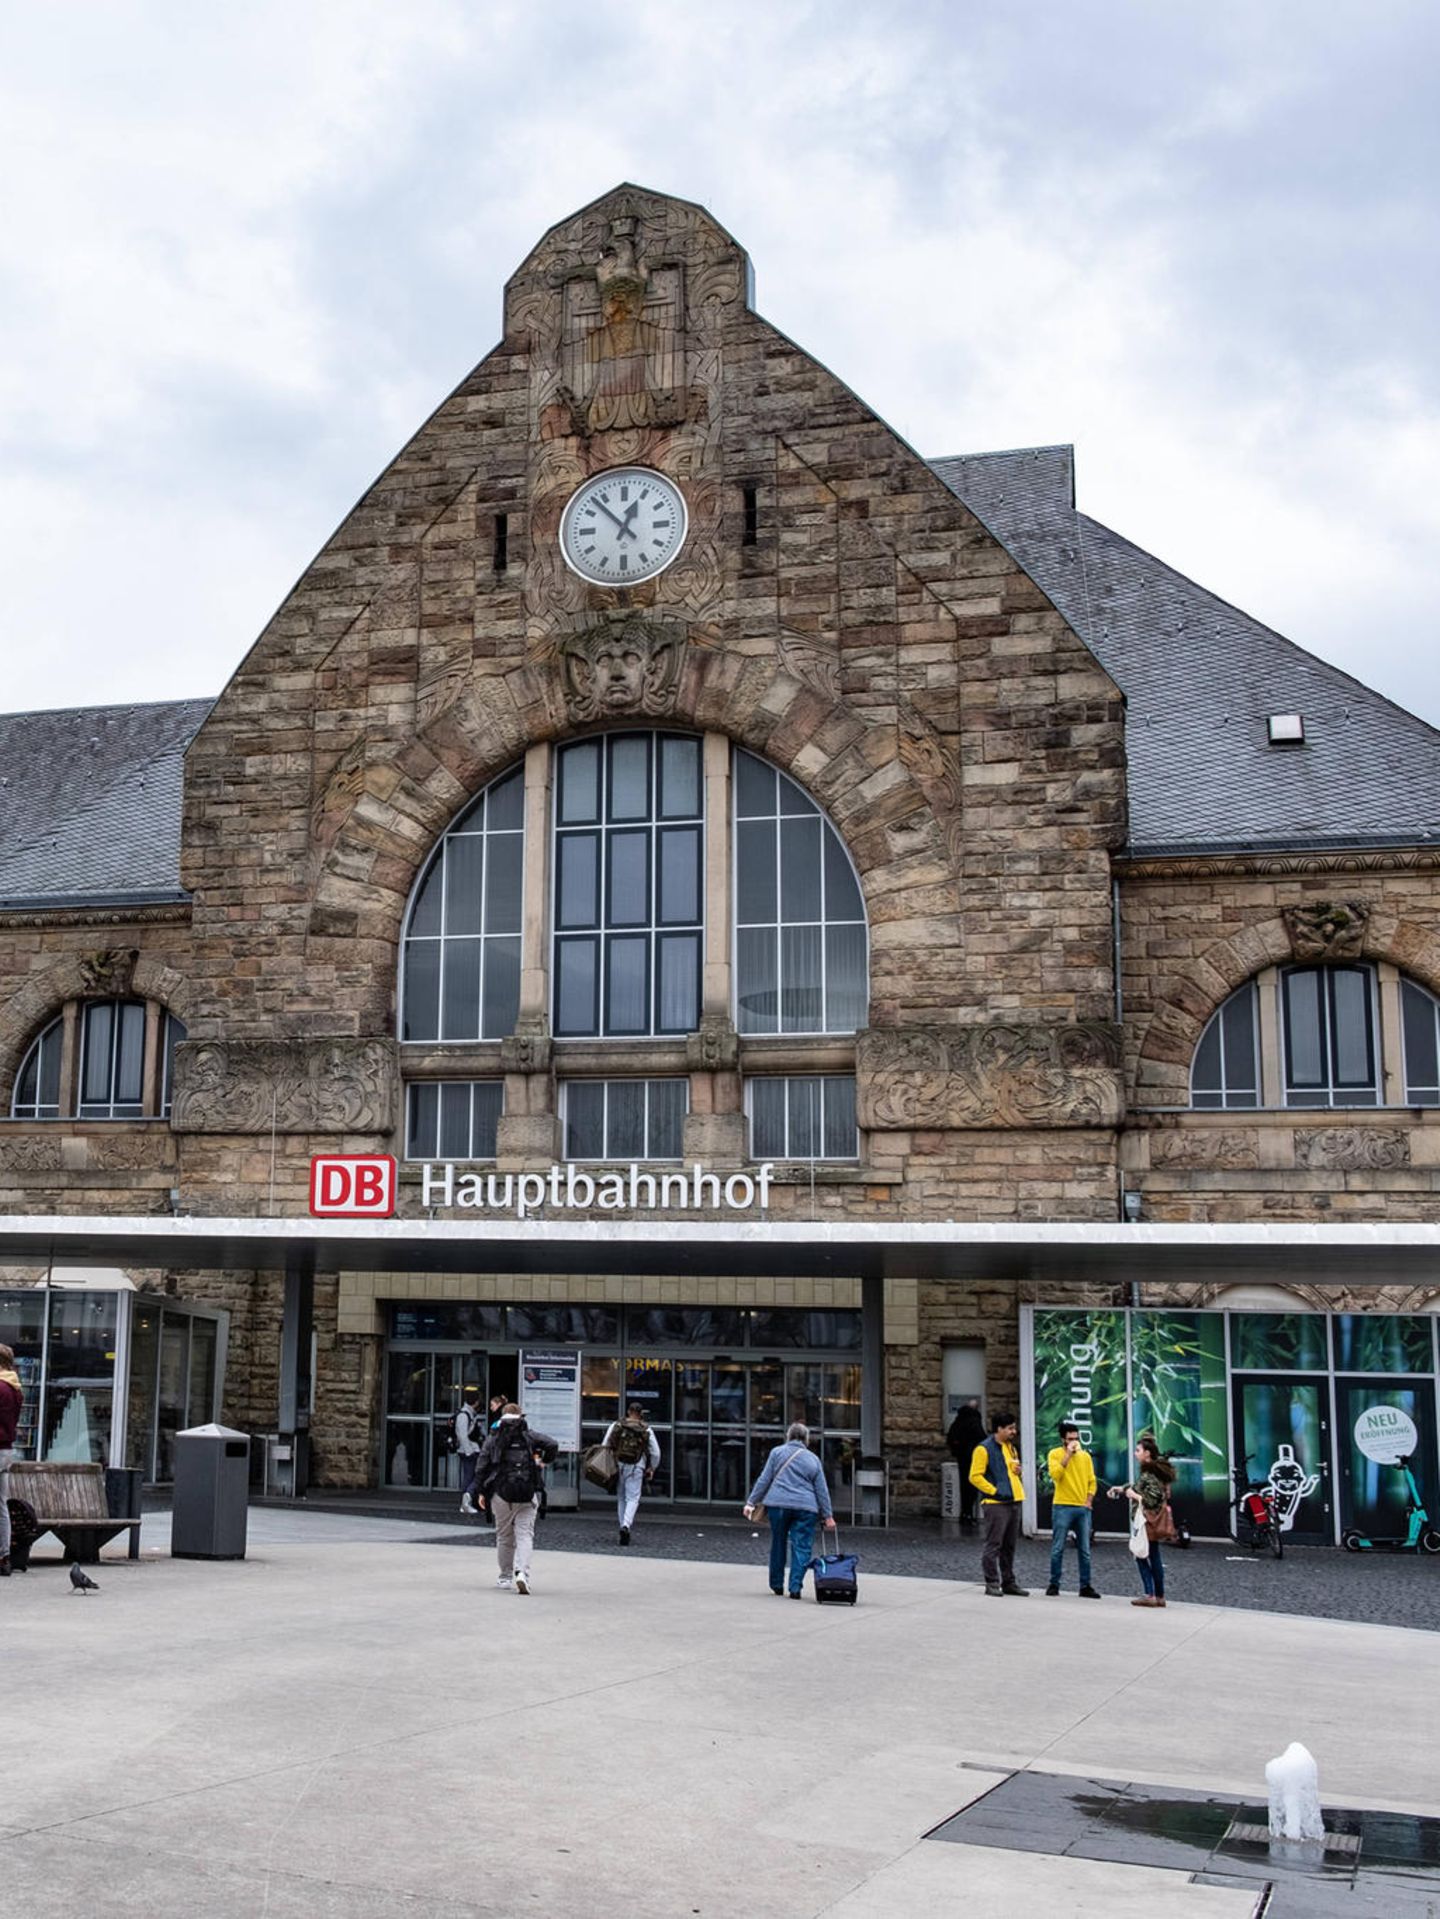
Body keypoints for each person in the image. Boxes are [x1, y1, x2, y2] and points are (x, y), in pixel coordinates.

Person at [743, 1421, 837, 1599]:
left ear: (789, 1436)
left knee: (778, 1542)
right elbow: (821, 1490)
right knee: (801, 1546)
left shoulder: (777, 1453)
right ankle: (795, 1587)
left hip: (777, 1505)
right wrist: (828, 1515)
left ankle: (777, 1585)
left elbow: (765, 1479)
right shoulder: (813, 1459)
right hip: (806, 1507)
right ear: (806, 1439)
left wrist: (751, 1502)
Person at [474, 1403, 559, 1595]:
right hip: (527, 1492)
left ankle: (505, 1576)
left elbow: (482, 1465)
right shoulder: (528, 1435)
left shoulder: (494, 1437)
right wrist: (543, 1461)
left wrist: (480, 1491)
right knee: (525, 1534)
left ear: (502, 1417)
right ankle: (522, 1573)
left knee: (504, 1536)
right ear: (520, 1416)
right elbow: (552, 1444)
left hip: (501, 1493)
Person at [969, 1410, 1028, 1596]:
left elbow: (1012, 1472)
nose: (1014, 1432)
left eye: (1014, 1428)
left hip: (1013, 1499)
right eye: (1010, 1428)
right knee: (994, 1543)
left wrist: (1019, 1472)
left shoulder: (1011, 1448)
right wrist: (995, 1491)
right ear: (999, 1429)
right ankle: (992, 1582)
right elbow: (974, 1476)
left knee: (1009, 1545)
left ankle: (1009, 1582)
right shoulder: (983, 1448)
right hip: (995, 1503)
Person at [1119, 1433, 1177, 1608]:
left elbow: (1151, 1498)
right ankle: (1159, 1595)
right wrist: (1122, 1489)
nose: (1135, 1453)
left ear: (1147, 1453)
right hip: (1153, 1521)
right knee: (1154, 1555)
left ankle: (1149, 1594)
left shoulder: (1148, 1473)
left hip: (1146, 1521)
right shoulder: (1157, 1471)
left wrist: (1133, 1495)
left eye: (1138, 1450)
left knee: (1140, 1554)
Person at [1046, 1420, 1100, 1598]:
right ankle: (1054, 1584)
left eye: (1076, 1438)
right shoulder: (1055, 1454)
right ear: (1063, 1439)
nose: (1074, 1442)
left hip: (1082, 1508)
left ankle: (1086, 1586)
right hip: (1062, 1505)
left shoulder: (1085, 1456)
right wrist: (1067, 1455)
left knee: (1085, 1550)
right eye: (1070, 1439)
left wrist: (1089, 1500)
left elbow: (1092, 1480)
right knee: (1058, 1548)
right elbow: (1055, 1475)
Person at [602, 1400, 660, 1544]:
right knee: (633, 1498)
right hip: (636, 1466)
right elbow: (656, 1452)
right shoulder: (646, 1429)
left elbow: (605, 1445)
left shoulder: (616, 1425)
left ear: (628, 1412)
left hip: (618, 1465)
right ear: (641, 1414)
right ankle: (626, 1525)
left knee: (621, 1498)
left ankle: (623, 1526)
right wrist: (652, 1467)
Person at [946, 1400, 987, 1528]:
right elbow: (982, 1437)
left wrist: (956, 1451)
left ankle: (964, 1513)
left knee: (964, 1485)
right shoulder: (974, 1420)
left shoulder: (958, 1420)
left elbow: (950, 1437)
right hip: (973, 1457)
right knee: (972, 1486)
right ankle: (969, 1513)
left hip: (961, 1457)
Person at [0, 1344, 21, 1578]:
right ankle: (4, 1556)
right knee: (1, 1505)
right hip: (5, 1451)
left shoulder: (1, 1387)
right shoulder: (15, 1387)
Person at [456, 1389, 485, 1515]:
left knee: (471, 1476)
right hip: (469, 1451)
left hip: (470, 1450)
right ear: (476, 1402)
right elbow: (462, 1435)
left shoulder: (469, 1414)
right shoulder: (464, 1415)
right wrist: (469, 1451)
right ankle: (466, 1502)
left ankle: (467, 1501)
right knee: (471, 1476)